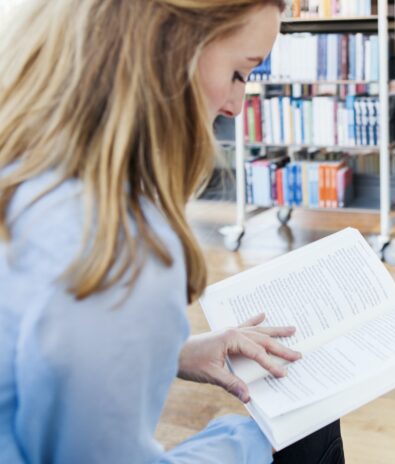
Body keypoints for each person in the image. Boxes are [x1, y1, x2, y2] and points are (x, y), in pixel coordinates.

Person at [0, 0, 344, 463]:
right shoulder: (119, 251)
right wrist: (244, 443)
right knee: (309, 429)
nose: (236, 106)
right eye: (240, 73)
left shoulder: (25, 174)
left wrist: (175, 353)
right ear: (169, 48)